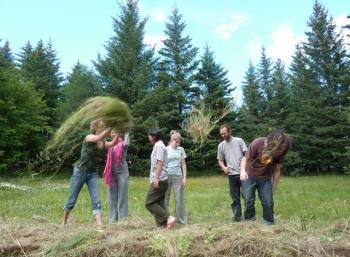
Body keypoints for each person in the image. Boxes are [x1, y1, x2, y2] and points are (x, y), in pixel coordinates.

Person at [62, 120, 119, 229]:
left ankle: (99, 225)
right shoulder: (89, 137)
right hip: (80, 172)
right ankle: (64, 222)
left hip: (92, 173)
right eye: (102, 127)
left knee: (96, 199)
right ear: (95, 128)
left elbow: (112, 144)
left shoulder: (102, 141)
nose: (103, 129)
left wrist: (117, 135)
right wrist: (111, 126)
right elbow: (97, 138)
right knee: (72, 199)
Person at [240, 129, 291, 225]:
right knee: (248, 200)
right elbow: (245, 159)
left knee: (268, 202)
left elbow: (277, 170)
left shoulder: (279, 151)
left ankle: (268, 222)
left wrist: (274, 186)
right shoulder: (257, 142)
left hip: (265, 179)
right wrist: (242, 170)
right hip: (249, 176)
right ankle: (249, 220)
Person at [145, 128, 176, 229]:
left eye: (149, 135)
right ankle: (163, 226)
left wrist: (156, 178)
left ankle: (168, 218)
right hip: (162, 179)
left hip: (160, 179)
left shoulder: (159, 146)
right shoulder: (159, 145)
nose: (148, 137)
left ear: (153, 136)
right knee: (159, 203)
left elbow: (159, 162)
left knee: (149, 203)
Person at [217, 124, 247, 222]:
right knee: (235, 198)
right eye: (221, 134)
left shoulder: (239, 141)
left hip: (243, 173)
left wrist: (244, 168)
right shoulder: (221, 145)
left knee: (247, 196)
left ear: (230, 132)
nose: (223, 135)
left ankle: (249, 216)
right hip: (231, 175)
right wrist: (224, 167)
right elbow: (220, 160)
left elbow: (246, 155)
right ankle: (237, 217)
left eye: (225, 133)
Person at [103, 130, 130, 224]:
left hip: (122, 174)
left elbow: (127, 141)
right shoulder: (109, 145)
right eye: (112, 132)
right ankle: (112, 220)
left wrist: (127, 130)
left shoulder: (123, 144)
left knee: (122, 197)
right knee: (112, 197)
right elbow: (102, 140)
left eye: (115, 132)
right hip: (111, 174)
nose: (113, 134)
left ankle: (123, 220)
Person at [164, 130, 187, 225]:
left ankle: (182, 221)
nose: (177, 144)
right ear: (172, 140)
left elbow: (183, 164)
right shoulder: (165, 149)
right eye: (176, 142)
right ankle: (166, 220)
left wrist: (184, 177)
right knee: (165, 199)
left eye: (179, 142)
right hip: (166, 176)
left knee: (179, 199)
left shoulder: (181, 150)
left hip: (178, 176)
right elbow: (162, 164)